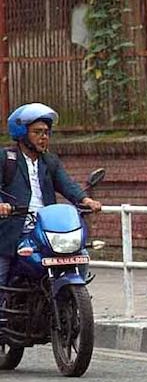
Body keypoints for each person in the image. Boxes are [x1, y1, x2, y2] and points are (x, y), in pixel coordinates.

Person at [0, 103, 102, 292]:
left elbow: (67, 184)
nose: (44, 137)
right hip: (14, 228)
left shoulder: (50, 161)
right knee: (1, 272)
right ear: (22, 134)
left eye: (46, 132)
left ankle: (72, 299)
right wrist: (2, 205)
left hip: (44, 228)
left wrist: (85, 200)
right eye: (37, 132)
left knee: (79, 255)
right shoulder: (6, 158)